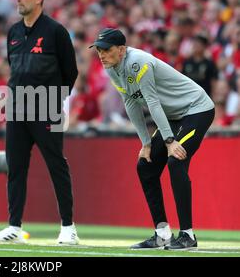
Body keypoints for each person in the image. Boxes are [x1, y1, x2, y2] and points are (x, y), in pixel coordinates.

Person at [90, 28, 214, 250]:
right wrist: (145, 144)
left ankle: (187, 235)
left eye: (106, 50)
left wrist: (169, 141)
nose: (101, 55)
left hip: (197, 109)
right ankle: (162, 234)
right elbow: (130, 103)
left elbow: (152, 102)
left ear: (122, 50)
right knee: (145, 166)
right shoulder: (111, 67)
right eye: (99, 50)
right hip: (174, 116)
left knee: (176, 160)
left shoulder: (139, 62)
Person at [0, 0, 79, 244]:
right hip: (17, 109)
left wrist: (54, 100)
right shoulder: (13, 32)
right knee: (15, 168)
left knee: (56, 165)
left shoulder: (55, 31)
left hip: (46, 107)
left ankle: (68, 227)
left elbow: (70, 71)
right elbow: (13, 68)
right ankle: (14, 226)